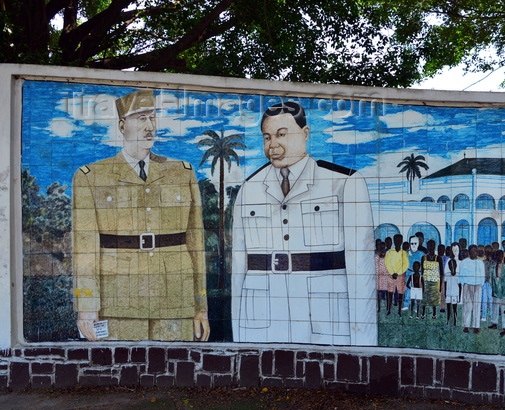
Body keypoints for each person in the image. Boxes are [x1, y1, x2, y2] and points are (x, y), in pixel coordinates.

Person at [230, 101, 375, 345]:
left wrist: (365, 344)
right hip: (262, 313)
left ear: (305, 134)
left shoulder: (344, 182)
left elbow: (361, 268)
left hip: (325, 314)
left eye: (281, 135)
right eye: (266, 137)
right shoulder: (249, 188)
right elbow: (238, 266)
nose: (272, 146)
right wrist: (238, 335)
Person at [72, 90, 209, 342]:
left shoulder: (181, 173)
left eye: (152, 118)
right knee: (116, 368)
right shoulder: (91, 177)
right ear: (122, 126)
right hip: (119, 298)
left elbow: (195, 243)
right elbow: (85, 247)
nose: (149, 126)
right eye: (141, 118)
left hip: (175, 296)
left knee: (176, 370)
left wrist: (201, 306)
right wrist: (87, 306)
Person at [459, 245, 485, 333]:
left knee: (477, 306)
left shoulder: (480, 262)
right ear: (469, 252)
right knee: (467, 306)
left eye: (476, 251)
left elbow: (483, 275)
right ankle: (466, 326)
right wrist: (464, 283)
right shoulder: (464, 262)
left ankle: (476, 326)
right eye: (473, 251)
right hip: (467, 285)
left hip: (477, 285)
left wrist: (480, 284)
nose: (475, 253)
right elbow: (461, 275)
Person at [385, 233, 409, 317]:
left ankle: (399, 311)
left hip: (401, 275)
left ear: (402, 241)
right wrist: (392, 272)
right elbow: (387, 263)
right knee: (390, 293)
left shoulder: (404, 253)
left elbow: (406, 264)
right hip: (391, 275)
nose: (398, 242)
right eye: (396, 240)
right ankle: (389, 310)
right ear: (394, 241)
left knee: (400, 293)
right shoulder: (389, 252)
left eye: (400, 240)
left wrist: (398, 273)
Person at [421, 240, 442, 320]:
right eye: (429, 245)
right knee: (424, 297)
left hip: (435, 281)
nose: (431, 247)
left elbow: (441, 273)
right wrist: (422, 282)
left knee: (434, 298)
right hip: (426, 281)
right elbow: (422, 272)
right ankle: (423, 313)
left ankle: (434, 313)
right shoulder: (423, 257)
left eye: (432, 245)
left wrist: (440, 285)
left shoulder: (438, 258)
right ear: (427, 246)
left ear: (435, 246)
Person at [444, 258, 461, 330]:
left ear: (456, 266)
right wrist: (445, 294)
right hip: (448, 294)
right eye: (450, 266)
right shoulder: (447, 275)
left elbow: (460, 287)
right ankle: (447, 323)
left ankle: (454, 324)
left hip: (455, 294)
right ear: (449, 267)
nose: (452, 267)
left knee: (454, 310)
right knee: (448, 310)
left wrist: (459, 297)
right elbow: (445, 285)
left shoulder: (458, 275)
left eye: (453, 265)